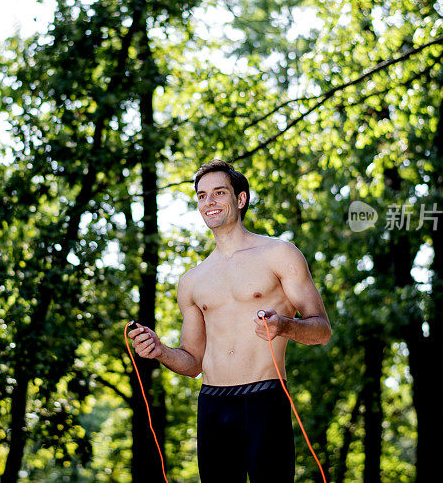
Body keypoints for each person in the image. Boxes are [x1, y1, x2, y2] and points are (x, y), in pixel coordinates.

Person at [127, 159, 331, 482]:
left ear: (240, 199)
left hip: (266, 399)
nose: (209, 202)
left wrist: (285, 326)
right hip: (213, 405)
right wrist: (159, 350)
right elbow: (192, 361)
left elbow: (322, 330)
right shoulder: (191, 281)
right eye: (202, 196)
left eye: (219, 193)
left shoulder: (279, 254)